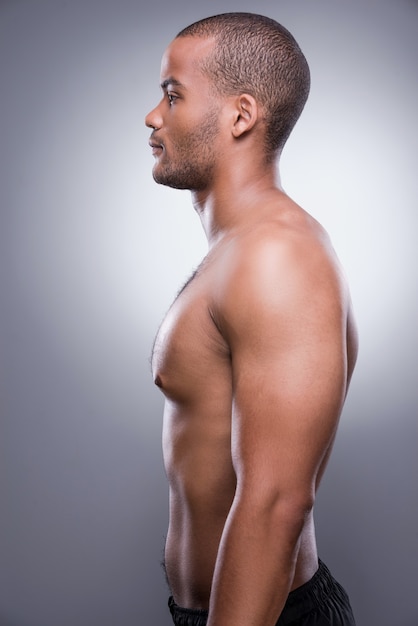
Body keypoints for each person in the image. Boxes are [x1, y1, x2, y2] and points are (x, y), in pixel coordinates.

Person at [145, 12, 358, 626]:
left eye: (172, 94)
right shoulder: (241, 251)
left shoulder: (278, 257)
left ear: (240, 116)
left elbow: (274, 504)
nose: (153, 116)